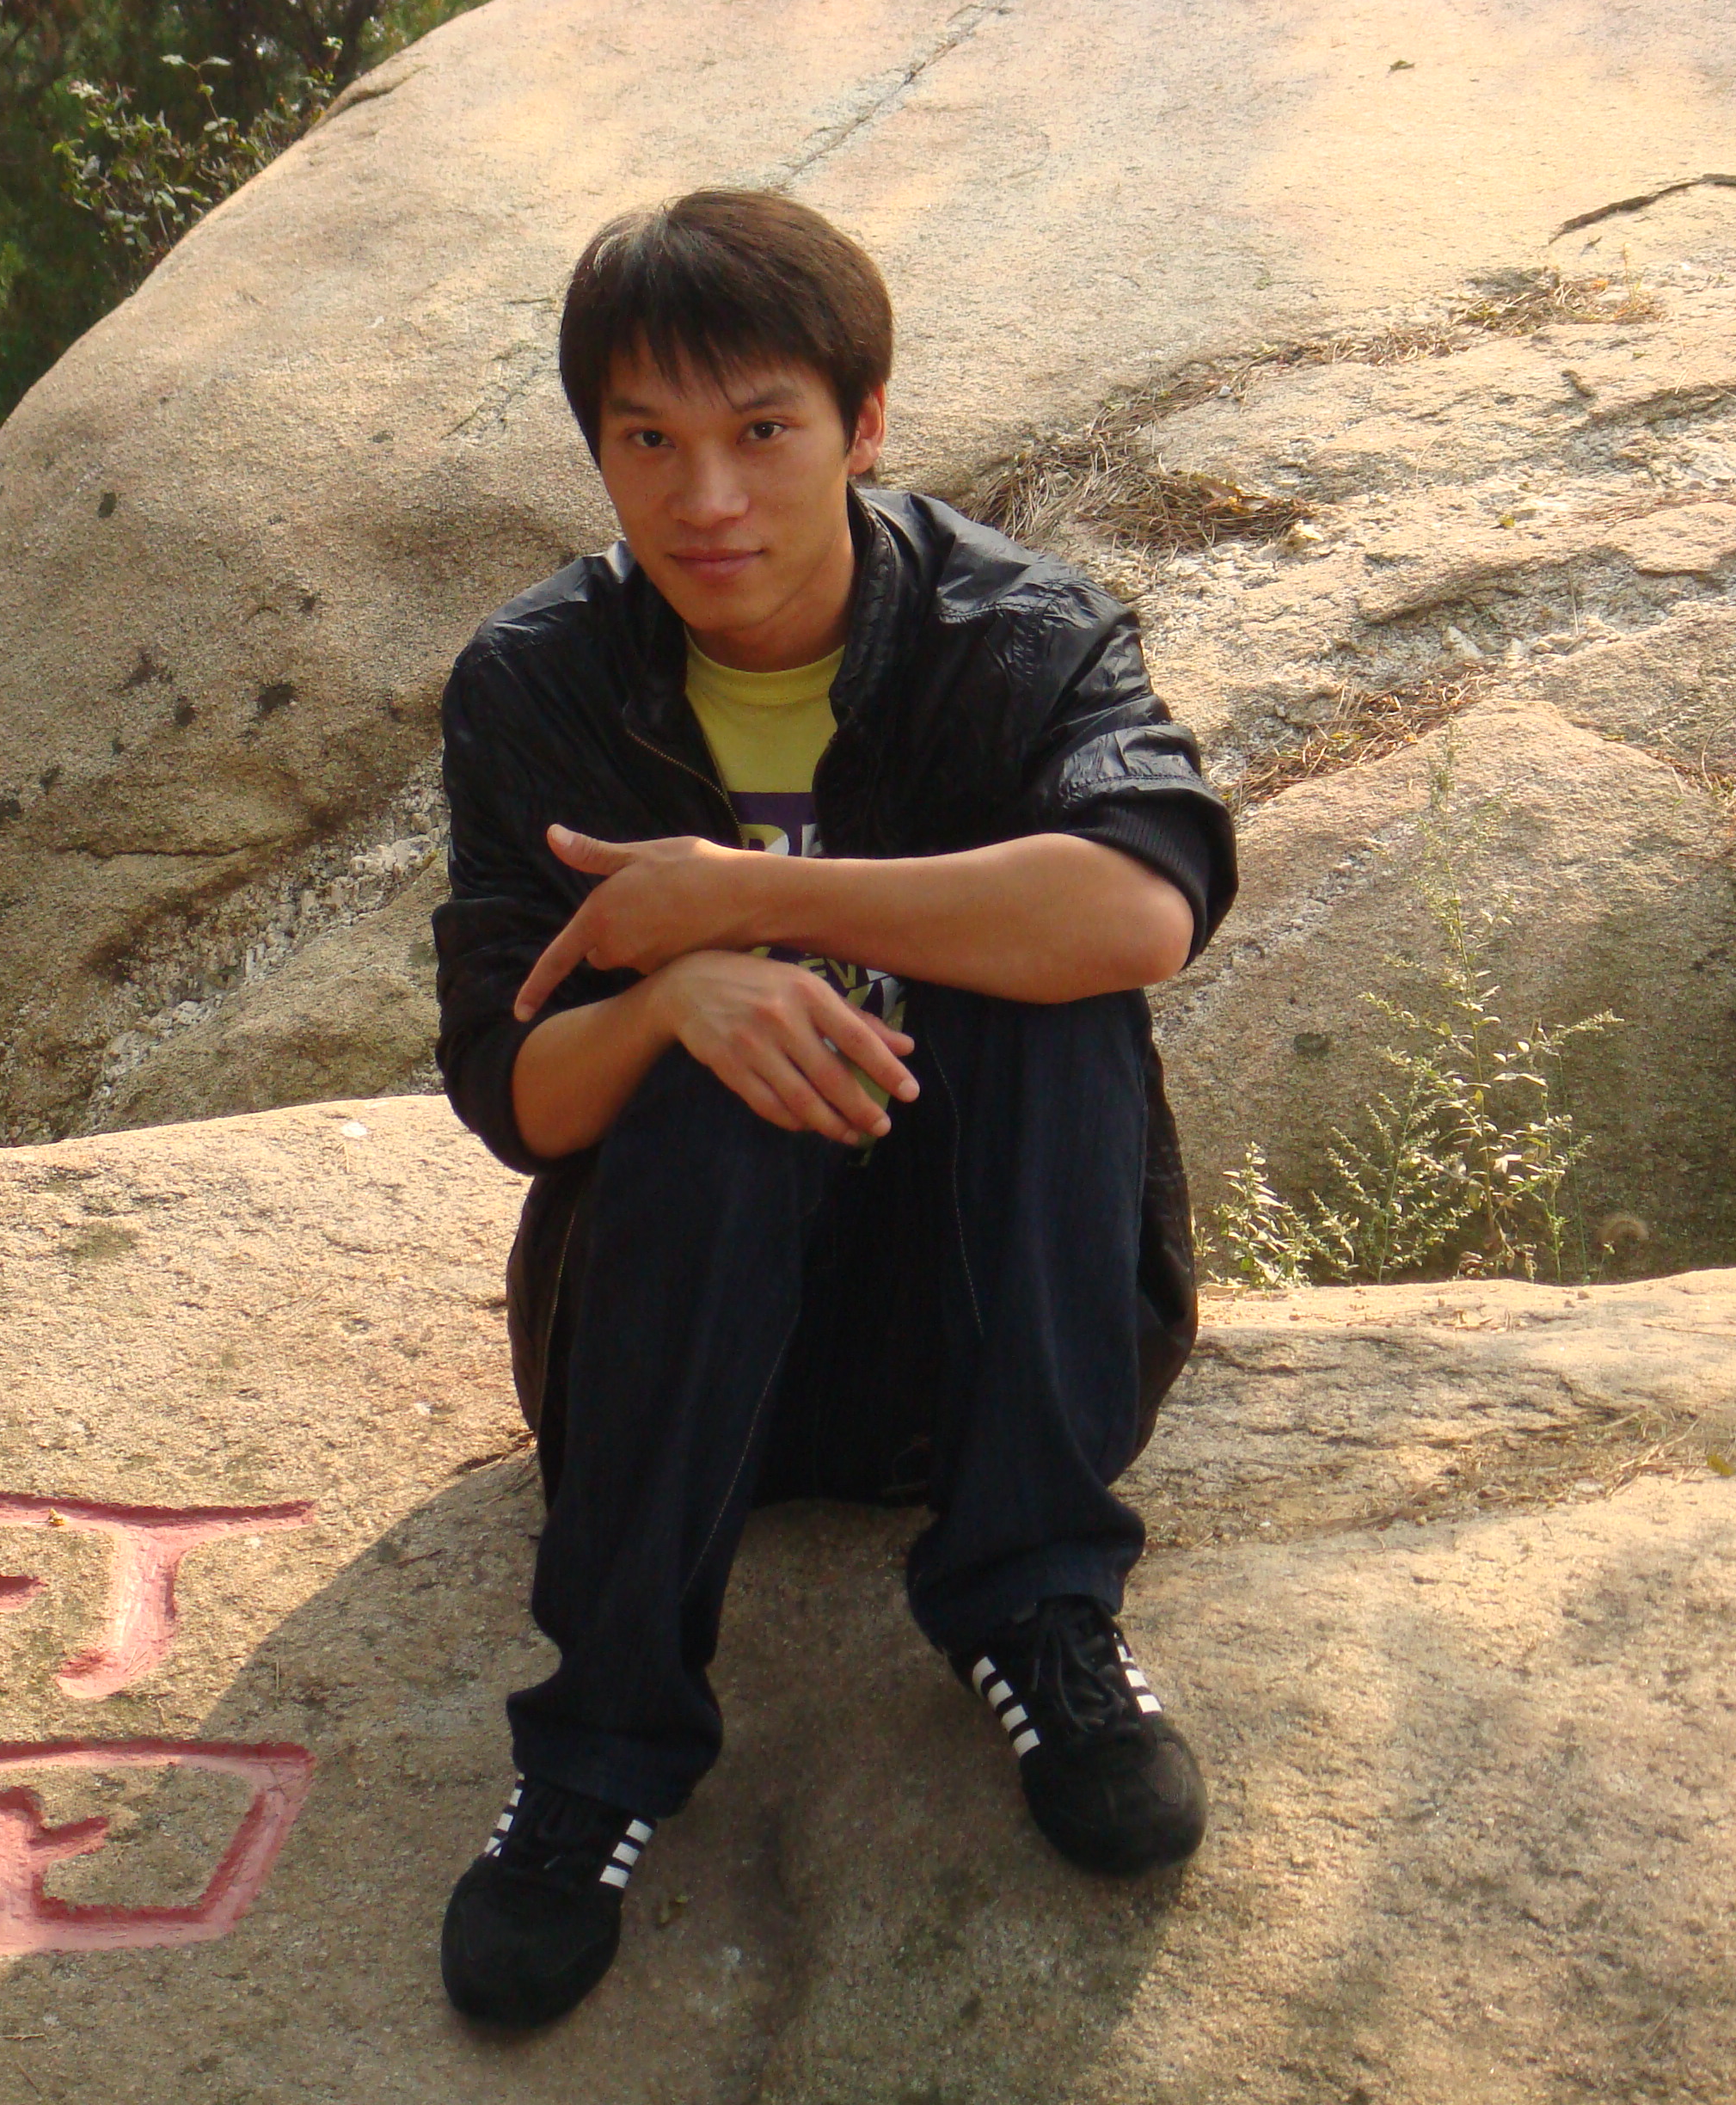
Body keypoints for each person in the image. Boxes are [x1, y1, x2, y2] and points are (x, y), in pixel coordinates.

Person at [426, 190, 1237, 2029]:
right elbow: (517, 1091)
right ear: (598, 452)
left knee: (1041, 986)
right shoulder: (540, 685)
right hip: (692, 1361)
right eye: (649, 441)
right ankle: (603, 1749)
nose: (707, 497)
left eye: (762, 430)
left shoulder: (1014, 635)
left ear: (866, 425)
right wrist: (670, 997)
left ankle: (1037, 1606)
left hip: (993, 1346)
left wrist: (752, 898)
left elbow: (1144, 908)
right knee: (723, 1067)